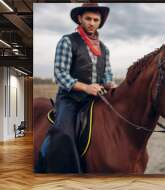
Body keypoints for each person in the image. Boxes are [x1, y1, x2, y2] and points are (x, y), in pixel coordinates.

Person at [36, 3, 116, 173]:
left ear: (100, 22)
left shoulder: (104, 49)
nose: (91, 23)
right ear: (80, 19)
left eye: (96, 20)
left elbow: (107, 74)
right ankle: (53, 167)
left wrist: (110, 83)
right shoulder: (67, 41)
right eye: (88, 18)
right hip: (70, 99)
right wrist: (86, 88)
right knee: (63, 132)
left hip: (96, 98)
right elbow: (60, 73)